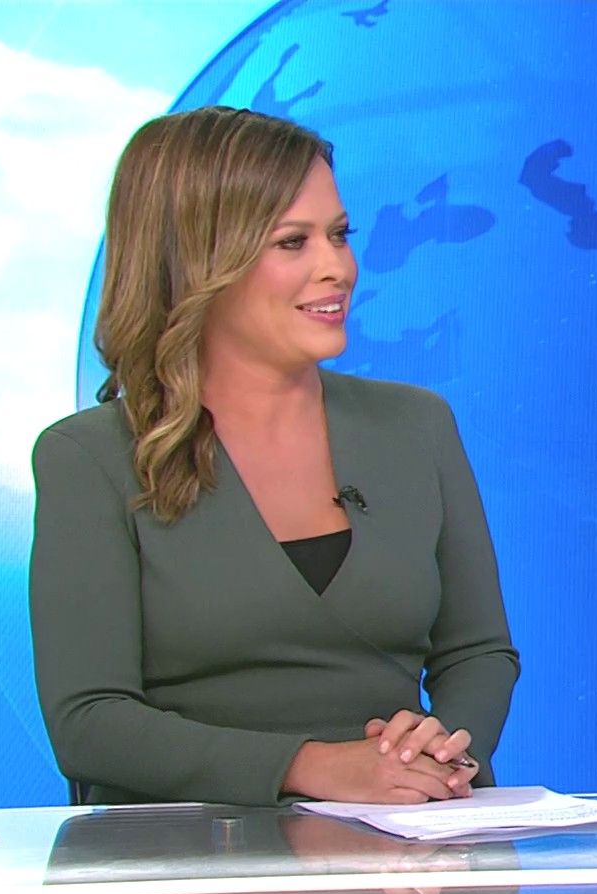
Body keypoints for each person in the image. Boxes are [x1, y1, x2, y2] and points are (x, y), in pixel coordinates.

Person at [30, 106, 518, 806]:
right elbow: (90, 723)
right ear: (197, 261)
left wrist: (444, 748)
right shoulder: (89, 457)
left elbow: (478, 651)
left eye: (339, 235)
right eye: (293, 242)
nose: (338, 268)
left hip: (407, 846)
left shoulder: (417, 426)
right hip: (183, 857)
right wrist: (314, 768)